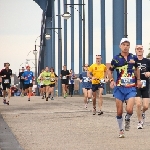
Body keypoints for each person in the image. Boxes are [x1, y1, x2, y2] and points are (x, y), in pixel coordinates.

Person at [107, 38, 142, 138]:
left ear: (129, 46)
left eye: (127, 45)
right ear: (120, 46)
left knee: (130, 110)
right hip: (119, 87)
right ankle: (121, 129)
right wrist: (111, 80)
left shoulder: (133, 57)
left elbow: (137, 69)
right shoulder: (116, 58)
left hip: (131, 87)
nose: (125, 46)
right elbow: (110, 71)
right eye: (123, 44)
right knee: (119, 111)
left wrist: (138, 80)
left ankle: (127, 118)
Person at [134, 45, 150, 129]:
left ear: (143, 50)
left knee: (146, 106)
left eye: (141, 49)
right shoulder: (133, 61)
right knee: (138, 104)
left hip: (145, 85)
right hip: (136, 85)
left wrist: (149, 73)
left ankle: (143, 113)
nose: (139, 50)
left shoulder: (147, 61)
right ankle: (140, 122)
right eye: (138, 49)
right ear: (135, 50)